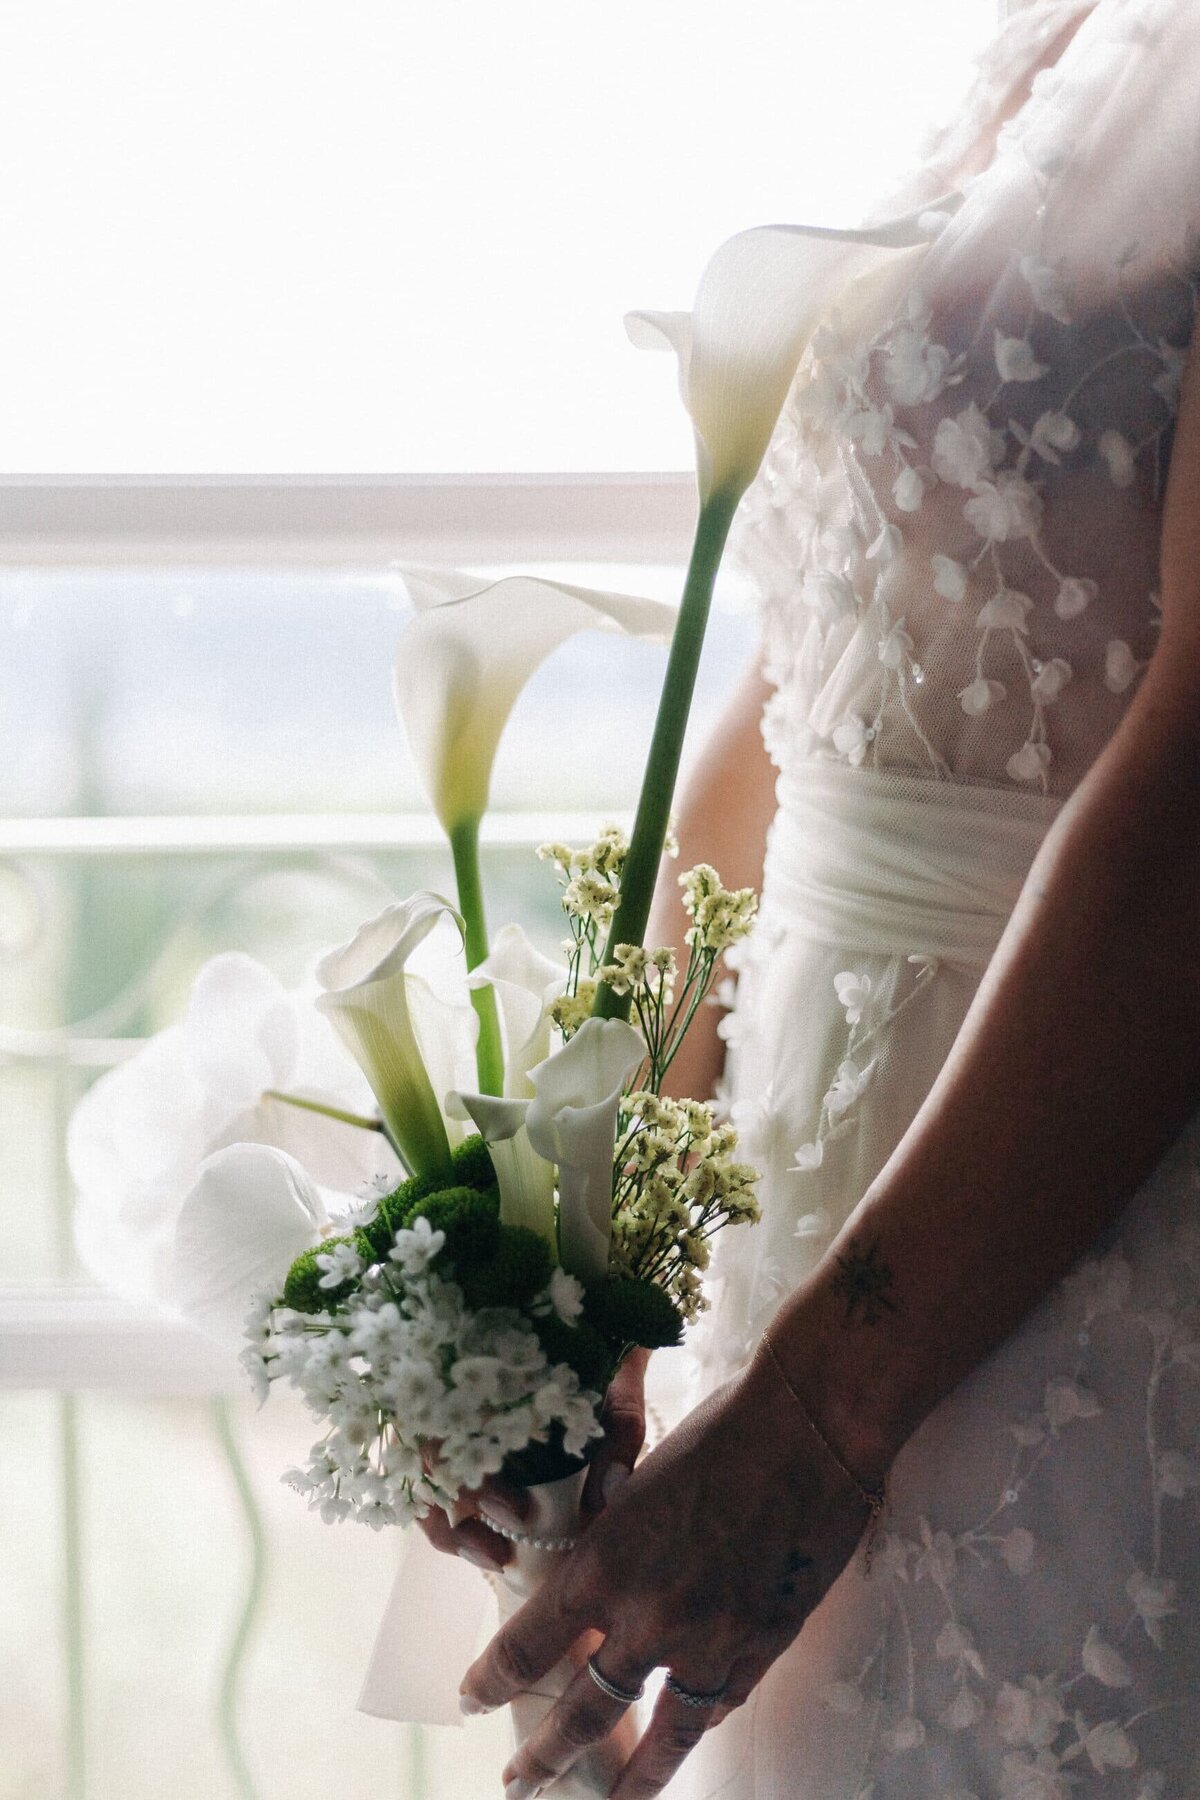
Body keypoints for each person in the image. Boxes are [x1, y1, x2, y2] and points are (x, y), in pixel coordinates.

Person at [445, 0, 1200, 1792]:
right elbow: (829, 691)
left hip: (1062, 1239)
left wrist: (818, 1418)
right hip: (815, 1212)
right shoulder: (1057, 39)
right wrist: (582, 1240)